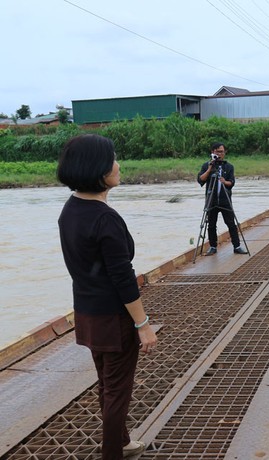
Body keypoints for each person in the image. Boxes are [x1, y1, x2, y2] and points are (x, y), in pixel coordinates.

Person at [57, 134, 157, 459]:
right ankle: (113, 451)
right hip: (113, 319)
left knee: (107, 385)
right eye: (113, 159)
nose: (118, 165)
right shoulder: (105, 218)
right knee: (117, 392)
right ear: (98, 170)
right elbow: (123, 278)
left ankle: (123, 441)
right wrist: (142, 323)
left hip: (87, 314)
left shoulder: (70, 211)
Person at [197, 142, 247, 255]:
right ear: (213, 152)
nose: (220, 154)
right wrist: (210, 169)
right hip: (211, 200)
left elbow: (232, 183)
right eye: (218, 152)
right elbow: (201, 180)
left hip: (225, 200)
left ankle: (237, 246)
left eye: (222, 152)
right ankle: (213, 247)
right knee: (211, 224)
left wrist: (225, 182)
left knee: (231, 224)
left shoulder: (228, 167)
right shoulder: (206, 165)